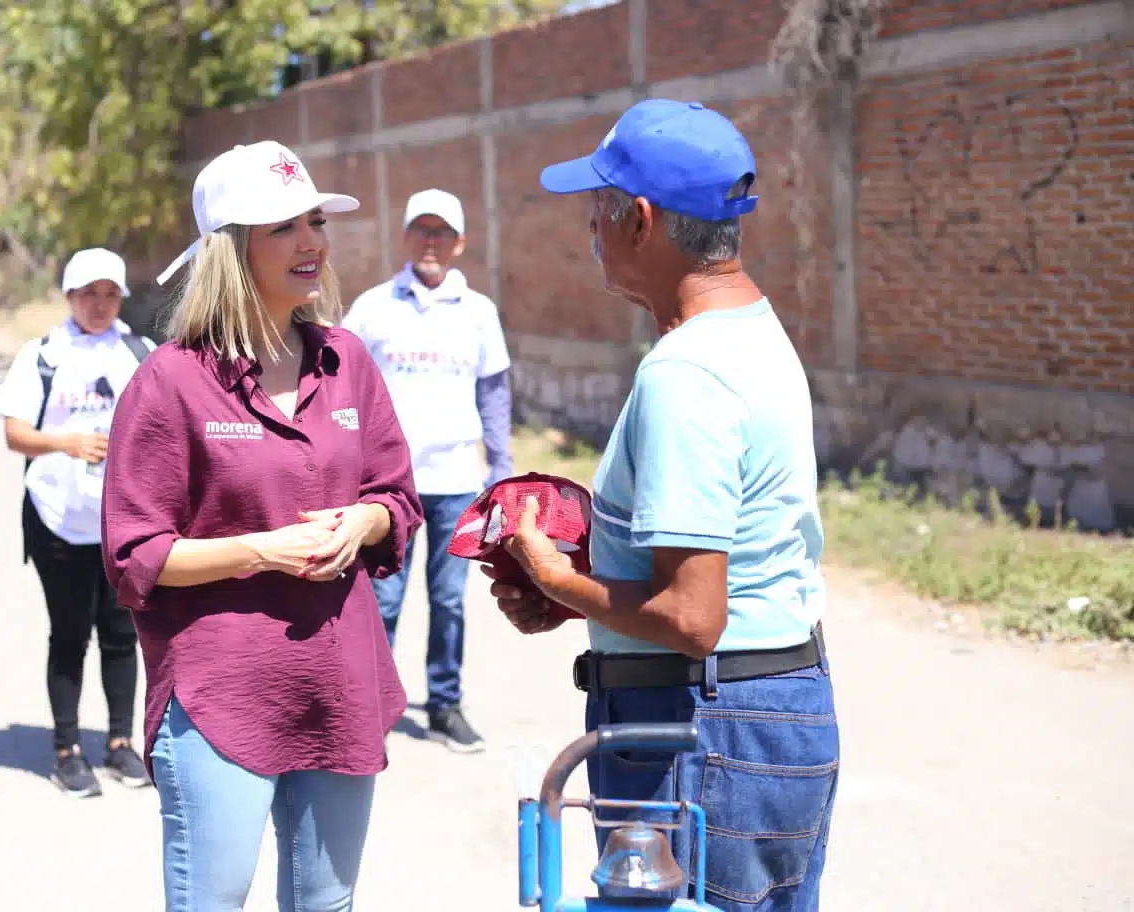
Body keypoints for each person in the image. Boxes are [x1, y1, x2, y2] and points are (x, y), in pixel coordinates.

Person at [484, 99, 840, 912]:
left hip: (702, 733)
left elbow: (692, 616)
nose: (590, 231)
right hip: (758, 715)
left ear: (640, 219)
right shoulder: (752, 329)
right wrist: (583, 595)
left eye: (596, 211)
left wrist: (553, 576)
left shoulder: (687, 375)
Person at [101, 139, 422, 912]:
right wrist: (261, 551)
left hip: (341, 683)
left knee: (326, 905)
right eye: (283, 227)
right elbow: (134, 556)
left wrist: (367, 520)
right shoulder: (169, 382)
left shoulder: (348, 359)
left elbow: (400, 497)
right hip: (222, 695)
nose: (312, 241)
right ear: (229, 251)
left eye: (315, 221)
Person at [343, 188, 512, 753]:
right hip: (389, 486)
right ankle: (373, 707)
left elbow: (493, 394)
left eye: (442, 232)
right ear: (406, 236)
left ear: (460, 242)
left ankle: (444, 705)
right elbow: (341, 385)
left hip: (458, 481)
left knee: (449, 599)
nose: (431, 241)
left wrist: (502, 469)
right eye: (422, 229)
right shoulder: (373, 308)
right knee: (382, 600)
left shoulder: (480, 312)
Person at [0, 247, 154, 797]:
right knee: (68, 636)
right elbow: (15, 434)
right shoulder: (42, 354)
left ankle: (120, 743)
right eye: (89, 293)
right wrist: (67, 442)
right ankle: (66, 750)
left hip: (120, 521)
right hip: (57, 518)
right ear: (69, 296)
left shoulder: (140, 351)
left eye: (111, 293)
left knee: (120, 633)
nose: (101, 304)